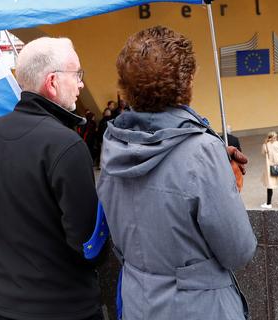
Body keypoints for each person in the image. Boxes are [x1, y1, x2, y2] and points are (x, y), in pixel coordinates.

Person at [98, 26, 257, 320]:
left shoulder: (113, 145)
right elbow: (239, 250)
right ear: (188, 83)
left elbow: (123, 241)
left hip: (138, 304)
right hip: (200, 309)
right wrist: (224, 183)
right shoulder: (203, 151)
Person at [0, 37, 102, 320]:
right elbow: (87, 244)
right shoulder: (66, 144)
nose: (80, 84)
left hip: (4, 306)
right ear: (52, 82)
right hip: (65, 309)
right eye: (77, 74)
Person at [261, 131, 278, 209]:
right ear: (276, 137)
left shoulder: (265, 145)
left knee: (270, 185)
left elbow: (263, 153)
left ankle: (268, 204)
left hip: (270, 167)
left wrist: (265, 143)